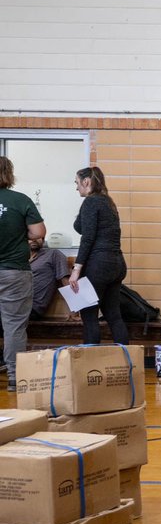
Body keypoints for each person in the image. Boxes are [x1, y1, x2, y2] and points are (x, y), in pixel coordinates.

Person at [0, 156, 47, 389]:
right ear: (9, 174)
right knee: (14, 325)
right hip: (14, 272)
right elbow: (38, 232)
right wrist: (20, 232)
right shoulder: (20, 200)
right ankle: (13, 376)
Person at [69, 166, 129, 345]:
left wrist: (76, 269)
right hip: (117, 264)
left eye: (77, 183)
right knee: (113, 316)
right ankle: (126, 364)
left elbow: (87, 238)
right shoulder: (108, 202)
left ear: (86, 181)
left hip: (99, 265)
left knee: (89, 317)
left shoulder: (91, 202)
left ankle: (90, 366)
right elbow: (79, 226)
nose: (76, 187)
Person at [29, 232, 71, 319]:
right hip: (11, 302)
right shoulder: (18, 258)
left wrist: (75, 312)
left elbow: (66, 283)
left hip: (32, 307)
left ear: (43, 239)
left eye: (37, 236)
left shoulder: (53, 254)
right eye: (29, 237)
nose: (33, 239)